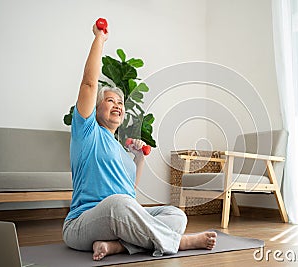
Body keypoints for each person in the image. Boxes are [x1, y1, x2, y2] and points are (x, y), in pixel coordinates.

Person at [62, 22, 217, 261]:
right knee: (119, 205)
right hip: (83, 223)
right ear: (95, 108)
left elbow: (130, 190)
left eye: (121, 103)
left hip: (120, 214)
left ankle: (118, 247)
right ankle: (179, 242)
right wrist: (100, 39)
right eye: (110, 100)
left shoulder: (120, 149)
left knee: (175, 215)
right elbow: (89, 84)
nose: (118, 105)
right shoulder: (87, 132)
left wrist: (140, 157)